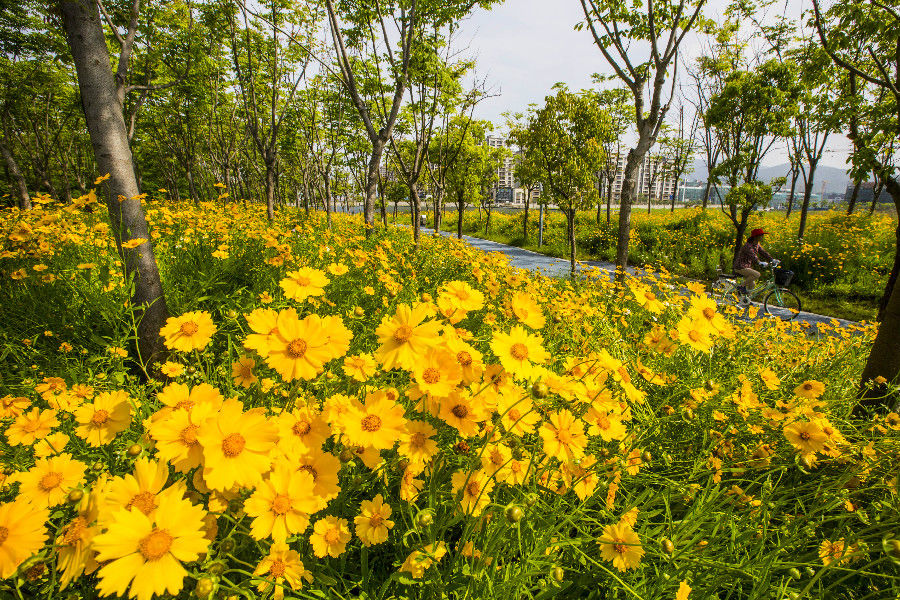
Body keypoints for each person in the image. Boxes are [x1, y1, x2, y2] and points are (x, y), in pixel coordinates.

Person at [733, 228, 773, 298]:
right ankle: (741, 287)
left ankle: (746, 300)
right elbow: (753, 255)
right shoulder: (748, 246)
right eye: (761, 235)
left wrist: (772, 259)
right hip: (740, 266)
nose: (762, 237)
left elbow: (763, 252)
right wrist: (759, 262)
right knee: (757, 274)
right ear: (756, 237)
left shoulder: (757, 244)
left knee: (752, 284)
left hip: (746, 267)